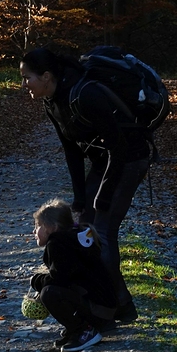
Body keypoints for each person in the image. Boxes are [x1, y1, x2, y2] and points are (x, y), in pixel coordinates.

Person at [20, 47, 150, 324]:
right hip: (105, 160)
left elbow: (119, 148)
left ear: (46, 76)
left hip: (129, 158)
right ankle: (109, 303)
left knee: (101, 232)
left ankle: (115, 308)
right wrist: (80, 197)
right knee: (83, 230)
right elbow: (72, 150)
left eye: (27, 77)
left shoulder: (86, 94)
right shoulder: (52, 101)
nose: (24, 84)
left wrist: (103, 195)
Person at [30, 199, 116, 352]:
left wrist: (37, 281)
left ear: (52, 227)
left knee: (49, 293)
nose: (34, 232)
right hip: (106, 310)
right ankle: (76, 329)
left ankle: (84, 331)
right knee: (52, 289)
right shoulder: (76, 237)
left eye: (37, 226)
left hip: (98, 310)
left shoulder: (58, 243)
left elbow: (59, 278)